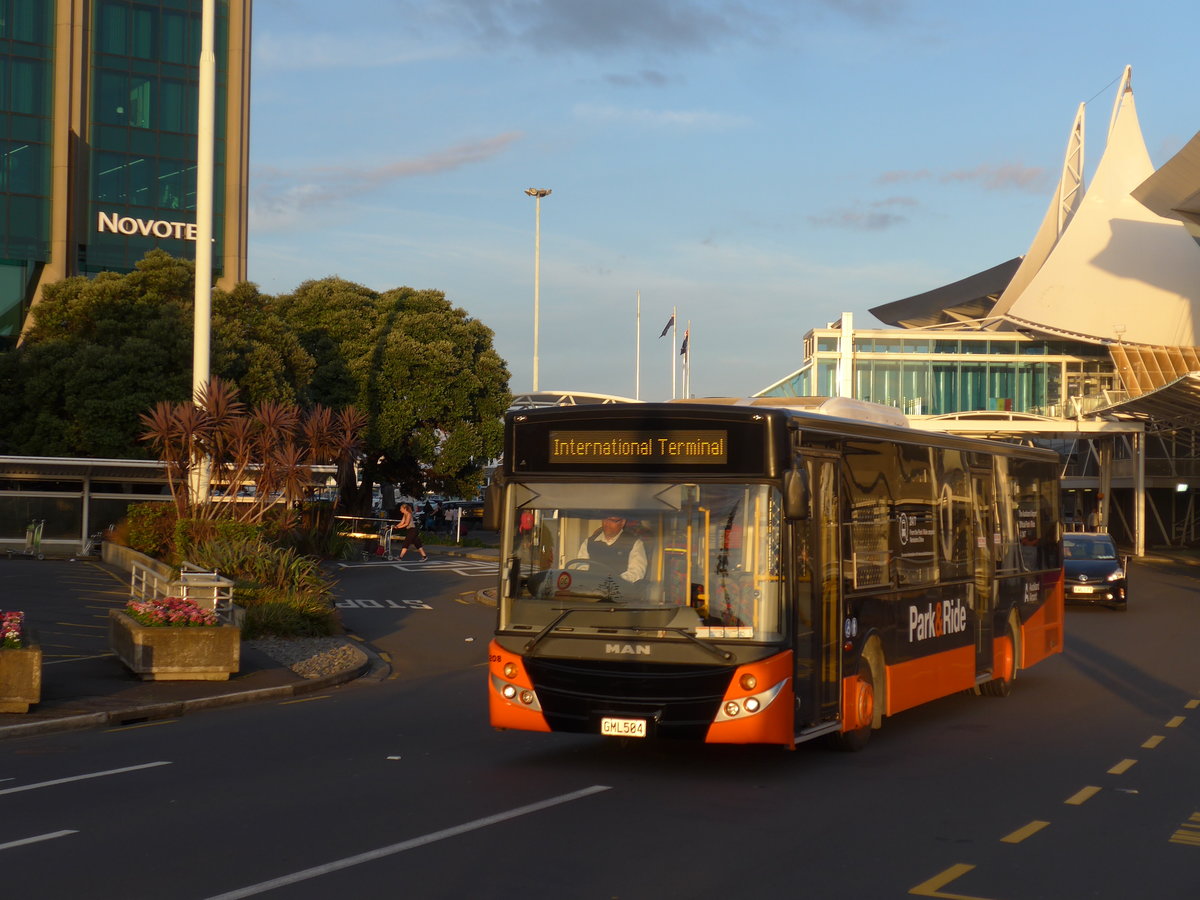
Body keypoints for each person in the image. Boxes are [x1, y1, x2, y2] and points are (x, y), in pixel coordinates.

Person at [576, 514, 647, 583]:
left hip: (617, 591)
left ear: (622, 522)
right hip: (590, 590)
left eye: (612, 520)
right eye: (604, 519)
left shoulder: (634, 543)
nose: (607, 523)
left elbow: (636, 573)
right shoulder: (588, 542)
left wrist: (613, 582)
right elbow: (581, 567)